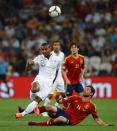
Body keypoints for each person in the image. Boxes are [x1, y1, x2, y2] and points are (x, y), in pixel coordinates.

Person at [27, 85, 113, 126]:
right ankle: (29, 111)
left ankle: (38, 124)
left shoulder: (91, 106)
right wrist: (58, 99)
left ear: (91, 93)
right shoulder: (75, 97)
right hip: (64, 113)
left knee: (60, 119)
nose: (84, 90)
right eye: (85, 89)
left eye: (87, 90)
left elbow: (97, 119)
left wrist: (105, 125)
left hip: (71, 121)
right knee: (51, 108)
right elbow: (63, 101)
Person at [15, 43, 61, 119]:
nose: (44, 51)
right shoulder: (39, 58)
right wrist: (28, 64)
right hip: (40, 78)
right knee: (34, 89)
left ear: (50, 49)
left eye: (46, 49)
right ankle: (35, 106)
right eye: (42, 49)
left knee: (37, 100)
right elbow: (28, 70)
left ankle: (22, 114)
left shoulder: (57, 59)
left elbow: (57, 72)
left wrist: (53, 82)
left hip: (48, 83)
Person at [42, 41, 65, 116]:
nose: (56, 46)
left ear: (60, 46)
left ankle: (56, 105)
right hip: (52, 77)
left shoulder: (62, 54)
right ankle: (44, 110)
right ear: (52, 46)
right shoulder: (50, 54)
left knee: (63, 95)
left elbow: (61, 66)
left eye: (58, 45)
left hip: (60, 77)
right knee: (50, 95)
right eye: (55, 45)